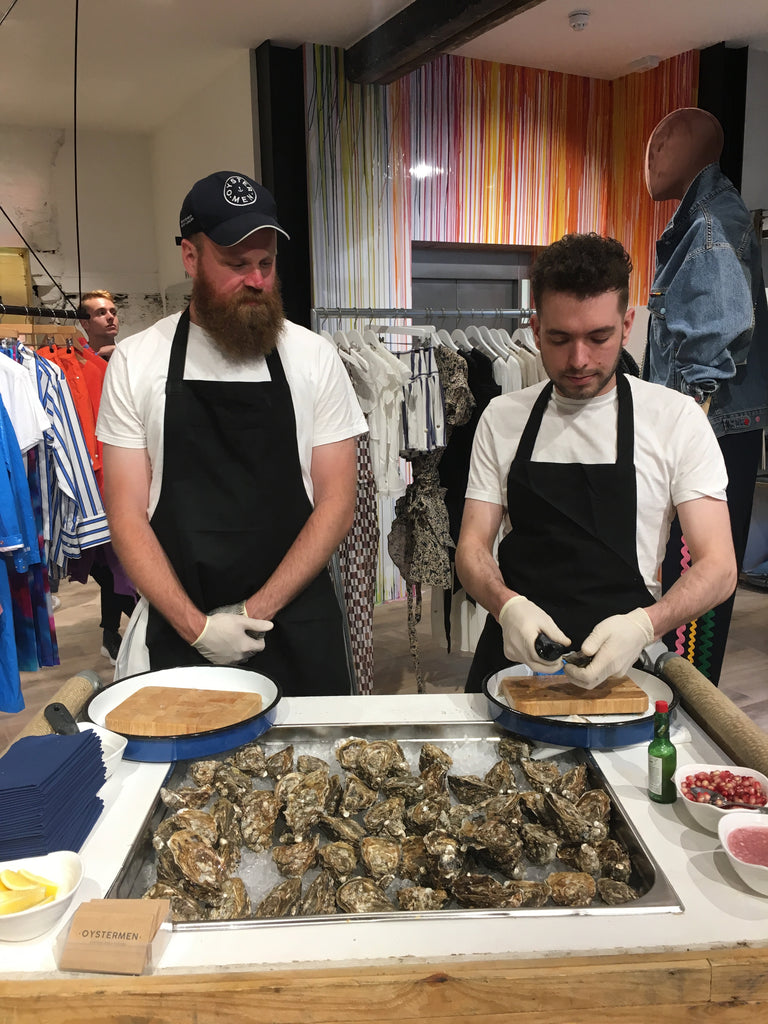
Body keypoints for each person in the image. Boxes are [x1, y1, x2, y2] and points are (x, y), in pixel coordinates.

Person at [96, 171, 367, 694]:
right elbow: (126, 514)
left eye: (266, 264)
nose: (257, 280)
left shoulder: (314, 357)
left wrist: (252, 612)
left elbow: (337, 503)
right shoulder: (137, 361)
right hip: (182, 621)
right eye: (237, 264)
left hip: (296, 623)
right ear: (191, 258)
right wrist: (199, 629)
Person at [455, 232, 737, 693]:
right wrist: (507, 607)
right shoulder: (502, 418)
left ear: (627, 325)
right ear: (534, 328)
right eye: (560, 338)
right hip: (516, 663)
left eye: (599, 337)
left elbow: (719, 565)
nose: (579, 359)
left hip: (625, 667)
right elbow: (472, 549)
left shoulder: (675, 419)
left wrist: (645, 626)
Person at [643, 107, 768, 684]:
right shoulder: (707, 219)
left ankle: (684, 718)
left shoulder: (711, 226)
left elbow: (710, 356)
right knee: (688, 584)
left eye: (660, 141)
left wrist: (677, 436)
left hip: (709, 434)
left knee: (694, 590)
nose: (652, 154)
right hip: (717, 431)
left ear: (685, 144)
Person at [78, 290, 120, 361]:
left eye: (113, 313)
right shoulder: (76, 360)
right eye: (102, 313)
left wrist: (119, 353)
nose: (111, 317)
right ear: (85, 323)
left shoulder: (131, 356)